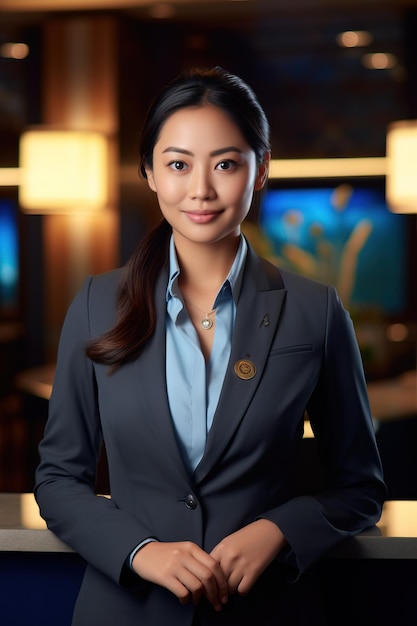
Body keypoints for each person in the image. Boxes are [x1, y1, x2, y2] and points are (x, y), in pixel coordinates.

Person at [35, 66, 386, 626]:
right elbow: (57, 479)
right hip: (127, 610)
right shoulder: (99, 302)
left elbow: (360, 486)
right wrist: (140, 550)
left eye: (226, 164)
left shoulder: (315, 311)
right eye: (178, 164)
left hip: (267, 609)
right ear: (149, 172)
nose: (200, 189)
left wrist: (279, 529)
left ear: (260, 169)